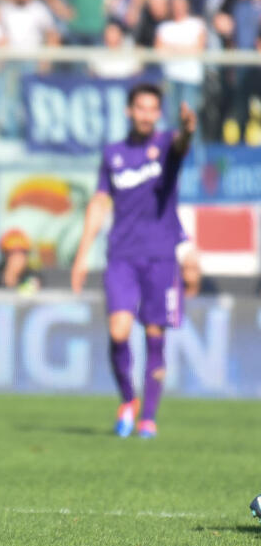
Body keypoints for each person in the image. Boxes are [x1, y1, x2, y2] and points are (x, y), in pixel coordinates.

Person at [70, 84, 196, 440]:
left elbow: (184, 143)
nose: (145, 114)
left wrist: (188, 129)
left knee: (155, 334)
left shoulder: (168, 145)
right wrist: (81, 255)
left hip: (160, 256)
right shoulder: (113, 154)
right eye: (139, 108)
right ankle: (128, 399)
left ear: (159, 113)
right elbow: (98, 203)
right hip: (121, 256)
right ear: (129, 111)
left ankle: (148, 419)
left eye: (152, 109)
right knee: (118, 332)